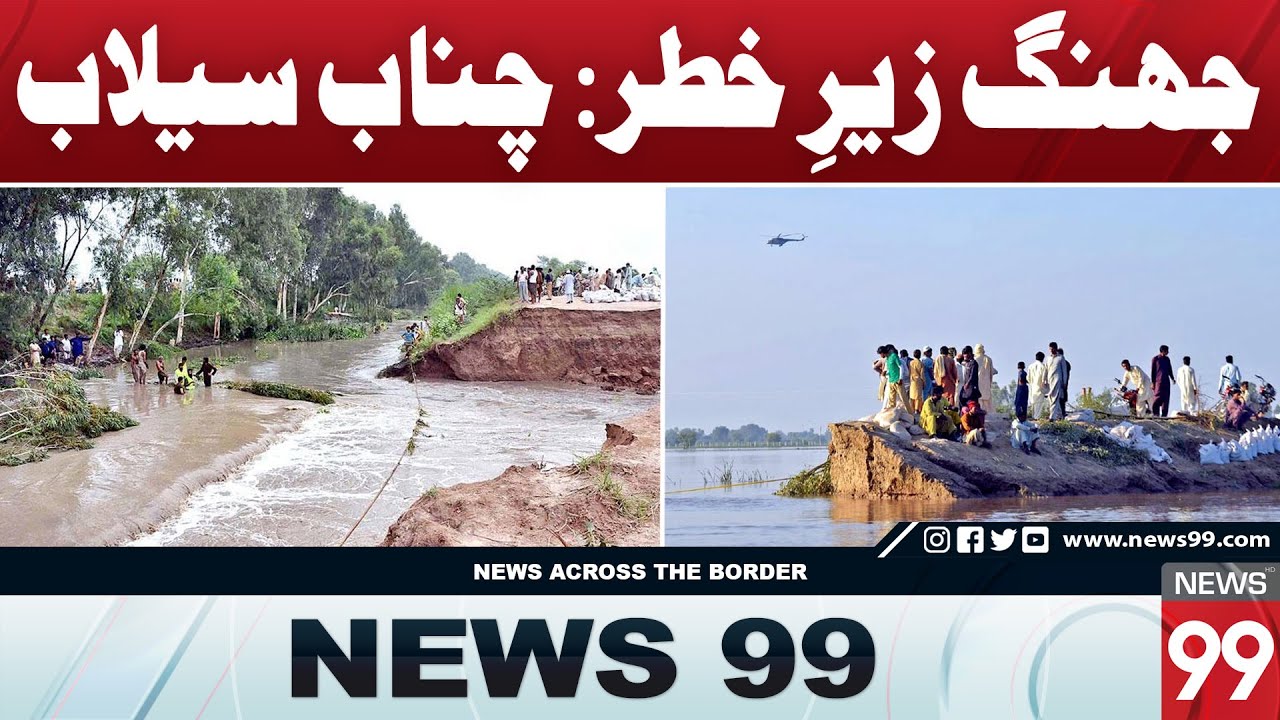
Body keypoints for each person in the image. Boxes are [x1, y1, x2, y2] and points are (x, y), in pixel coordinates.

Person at [1150, 345, 1174, 417]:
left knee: (1166, 398)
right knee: (1157, 397)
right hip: (1158, 382)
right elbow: (1153, 371)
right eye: (1167, 351)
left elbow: (1170, 369)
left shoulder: (1167, 359)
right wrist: (1153, 382)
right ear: (1163, 351)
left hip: (1166, 381)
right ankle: (1156, 414)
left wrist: (1172, 378)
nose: (1168, 352)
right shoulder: (1155, 359)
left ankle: (1164, 415)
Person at [974, 343, 998, 414]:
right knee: (986, 401)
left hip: (977, 383)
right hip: (986, 383)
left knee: (979, 400)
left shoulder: (975, 359)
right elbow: (991, 372)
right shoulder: (988, 359)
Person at [883, 344, 908, 411]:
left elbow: (903, 369)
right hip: (891, 381)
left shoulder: (896, 359)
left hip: (898, 381)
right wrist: (886, 373)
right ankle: (891, 412)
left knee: (903, 399)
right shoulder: (888, 359)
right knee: (891, 399)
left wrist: (900, 378)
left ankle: (909, 414)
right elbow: (889, 370)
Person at [1046, 343, 1067, 420]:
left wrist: (1064, 382)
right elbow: (1046, 370)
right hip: (1050, 380)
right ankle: (1060, 415)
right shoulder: (1048, 358)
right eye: (1050, 349)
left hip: (1057, 380)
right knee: (1050, 398)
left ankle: (1052, 417)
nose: (1051, 351)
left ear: (1056, 348)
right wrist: (1044, 380)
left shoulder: (1060, 358)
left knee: (1055, 398)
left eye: (1052, 349)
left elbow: (1064, 371)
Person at [1027, 351, 1049, 419]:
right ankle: (1036, 418)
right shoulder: (1043, 367)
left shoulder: (1030, 366)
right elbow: (1044, 379)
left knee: (1033, 403)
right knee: (1039, 404)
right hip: (1040, 387)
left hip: (1032, 387)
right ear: (1042, 358)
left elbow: (1028, 378)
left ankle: (1034, 417)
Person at [909, 349, 926, 413]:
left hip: (912, 380)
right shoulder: (920, 363)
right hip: (918, 380)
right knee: (918, 396)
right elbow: (922, 374)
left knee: (912, 396)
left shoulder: (911, 362)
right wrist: (924, 382)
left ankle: (912, 409)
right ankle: (917, 409)